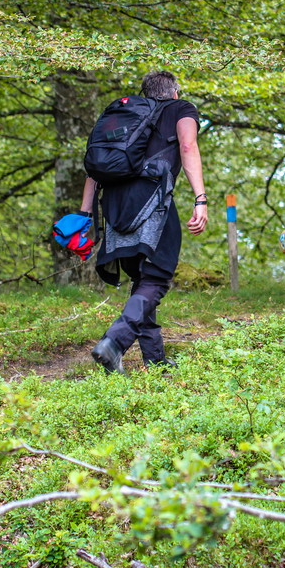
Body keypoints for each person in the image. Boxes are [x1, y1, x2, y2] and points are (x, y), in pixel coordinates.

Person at [81, 70, 207, 374]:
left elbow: (93, 166)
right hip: (152, 201)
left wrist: (85, 215)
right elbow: (188, 145)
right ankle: (114, 342)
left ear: (145, 93)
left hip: (113, 204)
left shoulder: (125, 116)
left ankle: (155, 358)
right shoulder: (182, 109)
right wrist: (200, 198)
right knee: (157, 278)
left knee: (142, 279)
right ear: (175, 92)